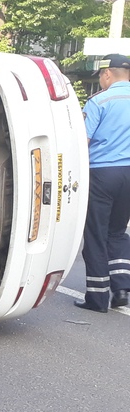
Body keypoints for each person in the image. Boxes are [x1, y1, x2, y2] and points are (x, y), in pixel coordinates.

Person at [76, 53, 130, 312]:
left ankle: (97, 298)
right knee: (117, 232)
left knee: (96, 234)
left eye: (100, 75)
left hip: (103, 173)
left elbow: (82, 141)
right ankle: (121, 288)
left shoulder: (99, 101)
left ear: (107, 74)